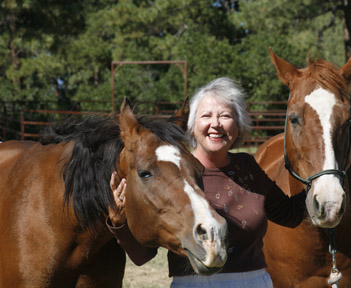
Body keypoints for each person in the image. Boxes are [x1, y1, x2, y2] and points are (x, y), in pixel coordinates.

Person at [107, 77, 306, 287]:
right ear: (192, 126)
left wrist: (323, 170)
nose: (216, 124)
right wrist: (120, 224)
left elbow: (290, 214)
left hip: (253, 282)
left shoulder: (248, 168)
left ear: (238, 126)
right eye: (206, 116)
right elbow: (143, 257)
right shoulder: (172, 173)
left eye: (226, 115)